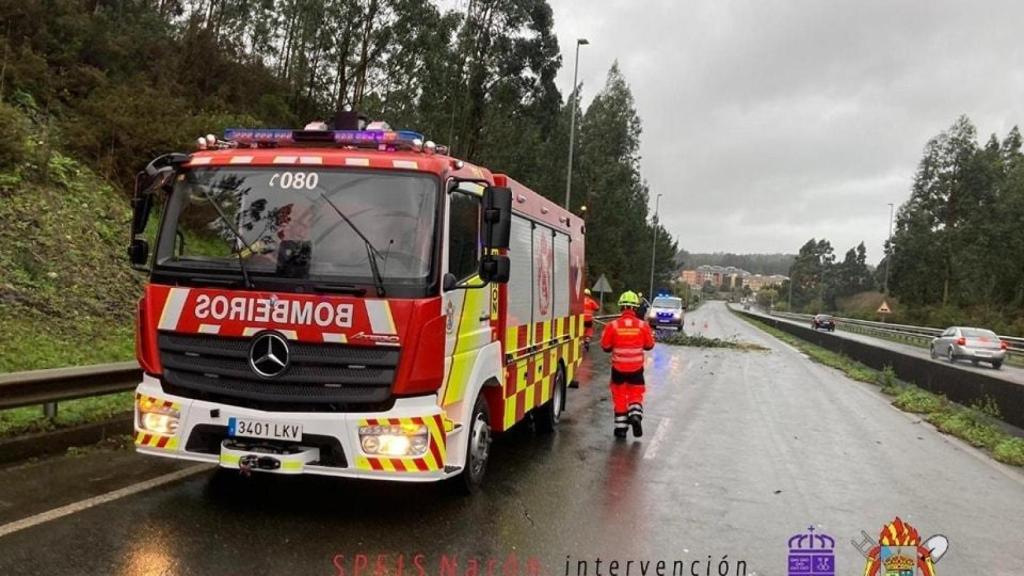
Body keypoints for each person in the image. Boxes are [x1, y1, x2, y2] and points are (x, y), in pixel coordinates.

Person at [600, 291, 655, 438]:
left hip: (618, 369)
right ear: (635, 308)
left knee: (619, 396)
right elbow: (649, 345)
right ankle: (635, 414)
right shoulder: (643, 326)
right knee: (635, 394)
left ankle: (621, 429)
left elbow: (605, 347)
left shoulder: (613, 326)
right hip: (636, 369)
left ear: (621, 307)